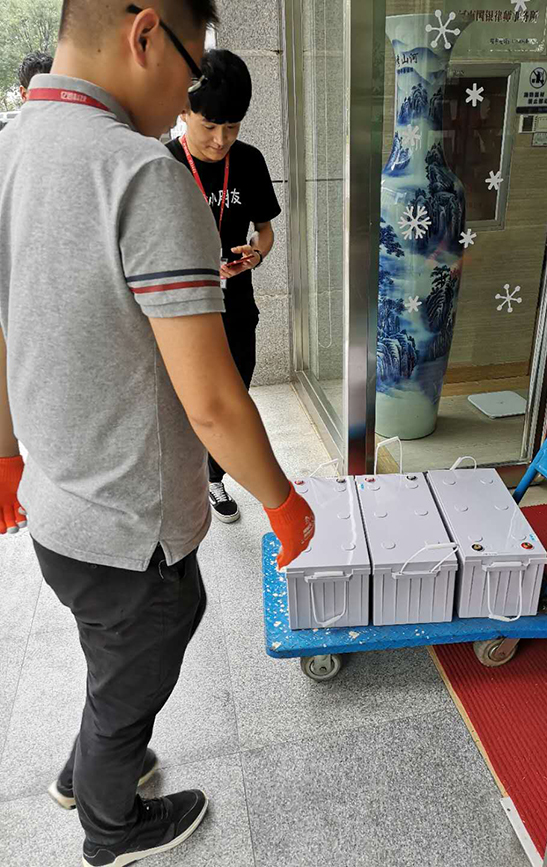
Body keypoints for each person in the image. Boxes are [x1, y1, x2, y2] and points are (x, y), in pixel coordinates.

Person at [0, 2, 315, 866]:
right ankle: (110, 825)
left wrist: (5, 458)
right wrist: (284, 503)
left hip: (56, 505)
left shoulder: (10, 149)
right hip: (127, 524)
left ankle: (89, 765)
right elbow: (211, 398)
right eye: (191, 64)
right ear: (145, 35)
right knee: (148, 648)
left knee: (115, 654)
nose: (187, 95)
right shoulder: (144, 175)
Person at [167, 49, 280, 525]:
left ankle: (214, 477)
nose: (220, 140)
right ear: (184, 110)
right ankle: (183, 480)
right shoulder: (163, 164)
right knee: (186, 402)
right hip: (180, 314)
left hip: (236, 305)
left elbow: (265, 232)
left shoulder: (249, 161)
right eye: (210, 125)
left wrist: (256, 254)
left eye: (231, 127)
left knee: (235, 394)